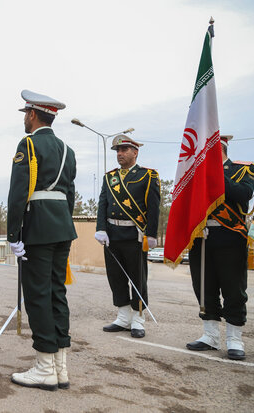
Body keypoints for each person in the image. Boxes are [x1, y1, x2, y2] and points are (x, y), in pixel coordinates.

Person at [7, 90, 77, 391]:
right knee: (56, 294)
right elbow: (70, 195)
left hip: (38, 227)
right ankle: (60, 367)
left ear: (33, 115)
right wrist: (61, 223)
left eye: (26, 114)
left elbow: (18, 193)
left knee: (37, 296)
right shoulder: (67, 150)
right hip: (62, 226)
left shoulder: (29, 144)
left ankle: (45, 366)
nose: (25, 119)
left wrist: (13, 234)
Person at [186, 135, 254, 360]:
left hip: (230, 236)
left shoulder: (244, 169)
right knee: (204, 287)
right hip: (201, 236)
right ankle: (210, 335)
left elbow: (243, 194)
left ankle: (234, 338)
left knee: (233, 289)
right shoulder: (195, 173)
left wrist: (215, 174)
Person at [95, 135, 160, 339]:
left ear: (135, 152)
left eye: (124, 150)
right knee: (116, 277)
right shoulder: (109, 177)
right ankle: (123, 318)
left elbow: (154, 208)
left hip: (135, 235)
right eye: (117, 151)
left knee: (137, 278)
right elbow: (102, 204)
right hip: (113, 235)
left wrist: (150, 233)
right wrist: (101, 228)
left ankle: (138, 319)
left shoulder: (147, 176)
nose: (120, 154)